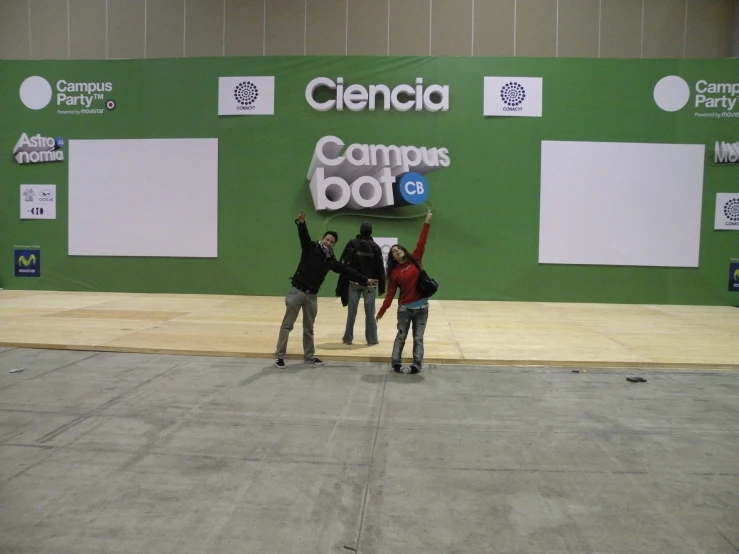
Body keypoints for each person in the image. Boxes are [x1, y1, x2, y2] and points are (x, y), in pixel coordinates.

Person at [275, 212, 378, 368]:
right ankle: (280, 356)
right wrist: (301, 223)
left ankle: (309, 356)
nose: (329, 242)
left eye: (332, 242)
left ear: (334, 245)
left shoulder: (330, 260)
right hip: (297, 291)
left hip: (312, 297)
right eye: (327, 239)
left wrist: (365, 279)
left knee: (309, 328)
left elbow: (347, 270)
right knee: (287, 325)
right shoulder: (310, 248)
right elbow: (304, 236)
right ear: (323, 239)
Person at [376, 211, 433, 374]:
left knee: (418, 338)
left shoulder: (415, 259)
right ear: (393, 258)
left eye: (399, 248)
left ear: (404, 251)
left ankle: (417, 363)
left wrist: (427, 222)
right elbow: (390, 294)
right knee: (401, 336)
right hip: (405, 310)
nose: (397, 250)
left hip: (422, 308)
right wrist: (381, 311)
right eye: (394, 251)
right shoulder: (394, 273)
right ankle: (395, 362)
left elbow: (422, 241)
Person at [336, 222, 386, 346]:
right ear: (371, 231)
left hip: (353, 283)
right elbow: (380, 268)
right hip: (370, 285)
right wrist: (382, 286)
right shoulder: (375, 246)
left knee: (351, 312)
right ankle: (372, 339)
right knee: (370, 313)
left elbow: (343, 263)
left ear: (360, 230)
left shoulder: (352, 243)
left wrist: (341, 283)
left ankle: (348, 338)